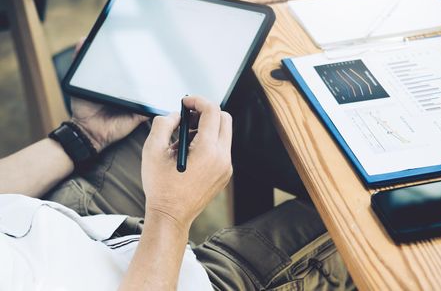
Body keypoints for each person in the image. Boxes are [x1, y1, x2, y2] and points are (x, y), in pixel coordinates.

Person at [0, 80, 353, 288]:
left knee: (217, 93)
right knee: (356, 208)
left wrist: (83, 136)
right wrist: (170, 215)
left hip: (60, 224)